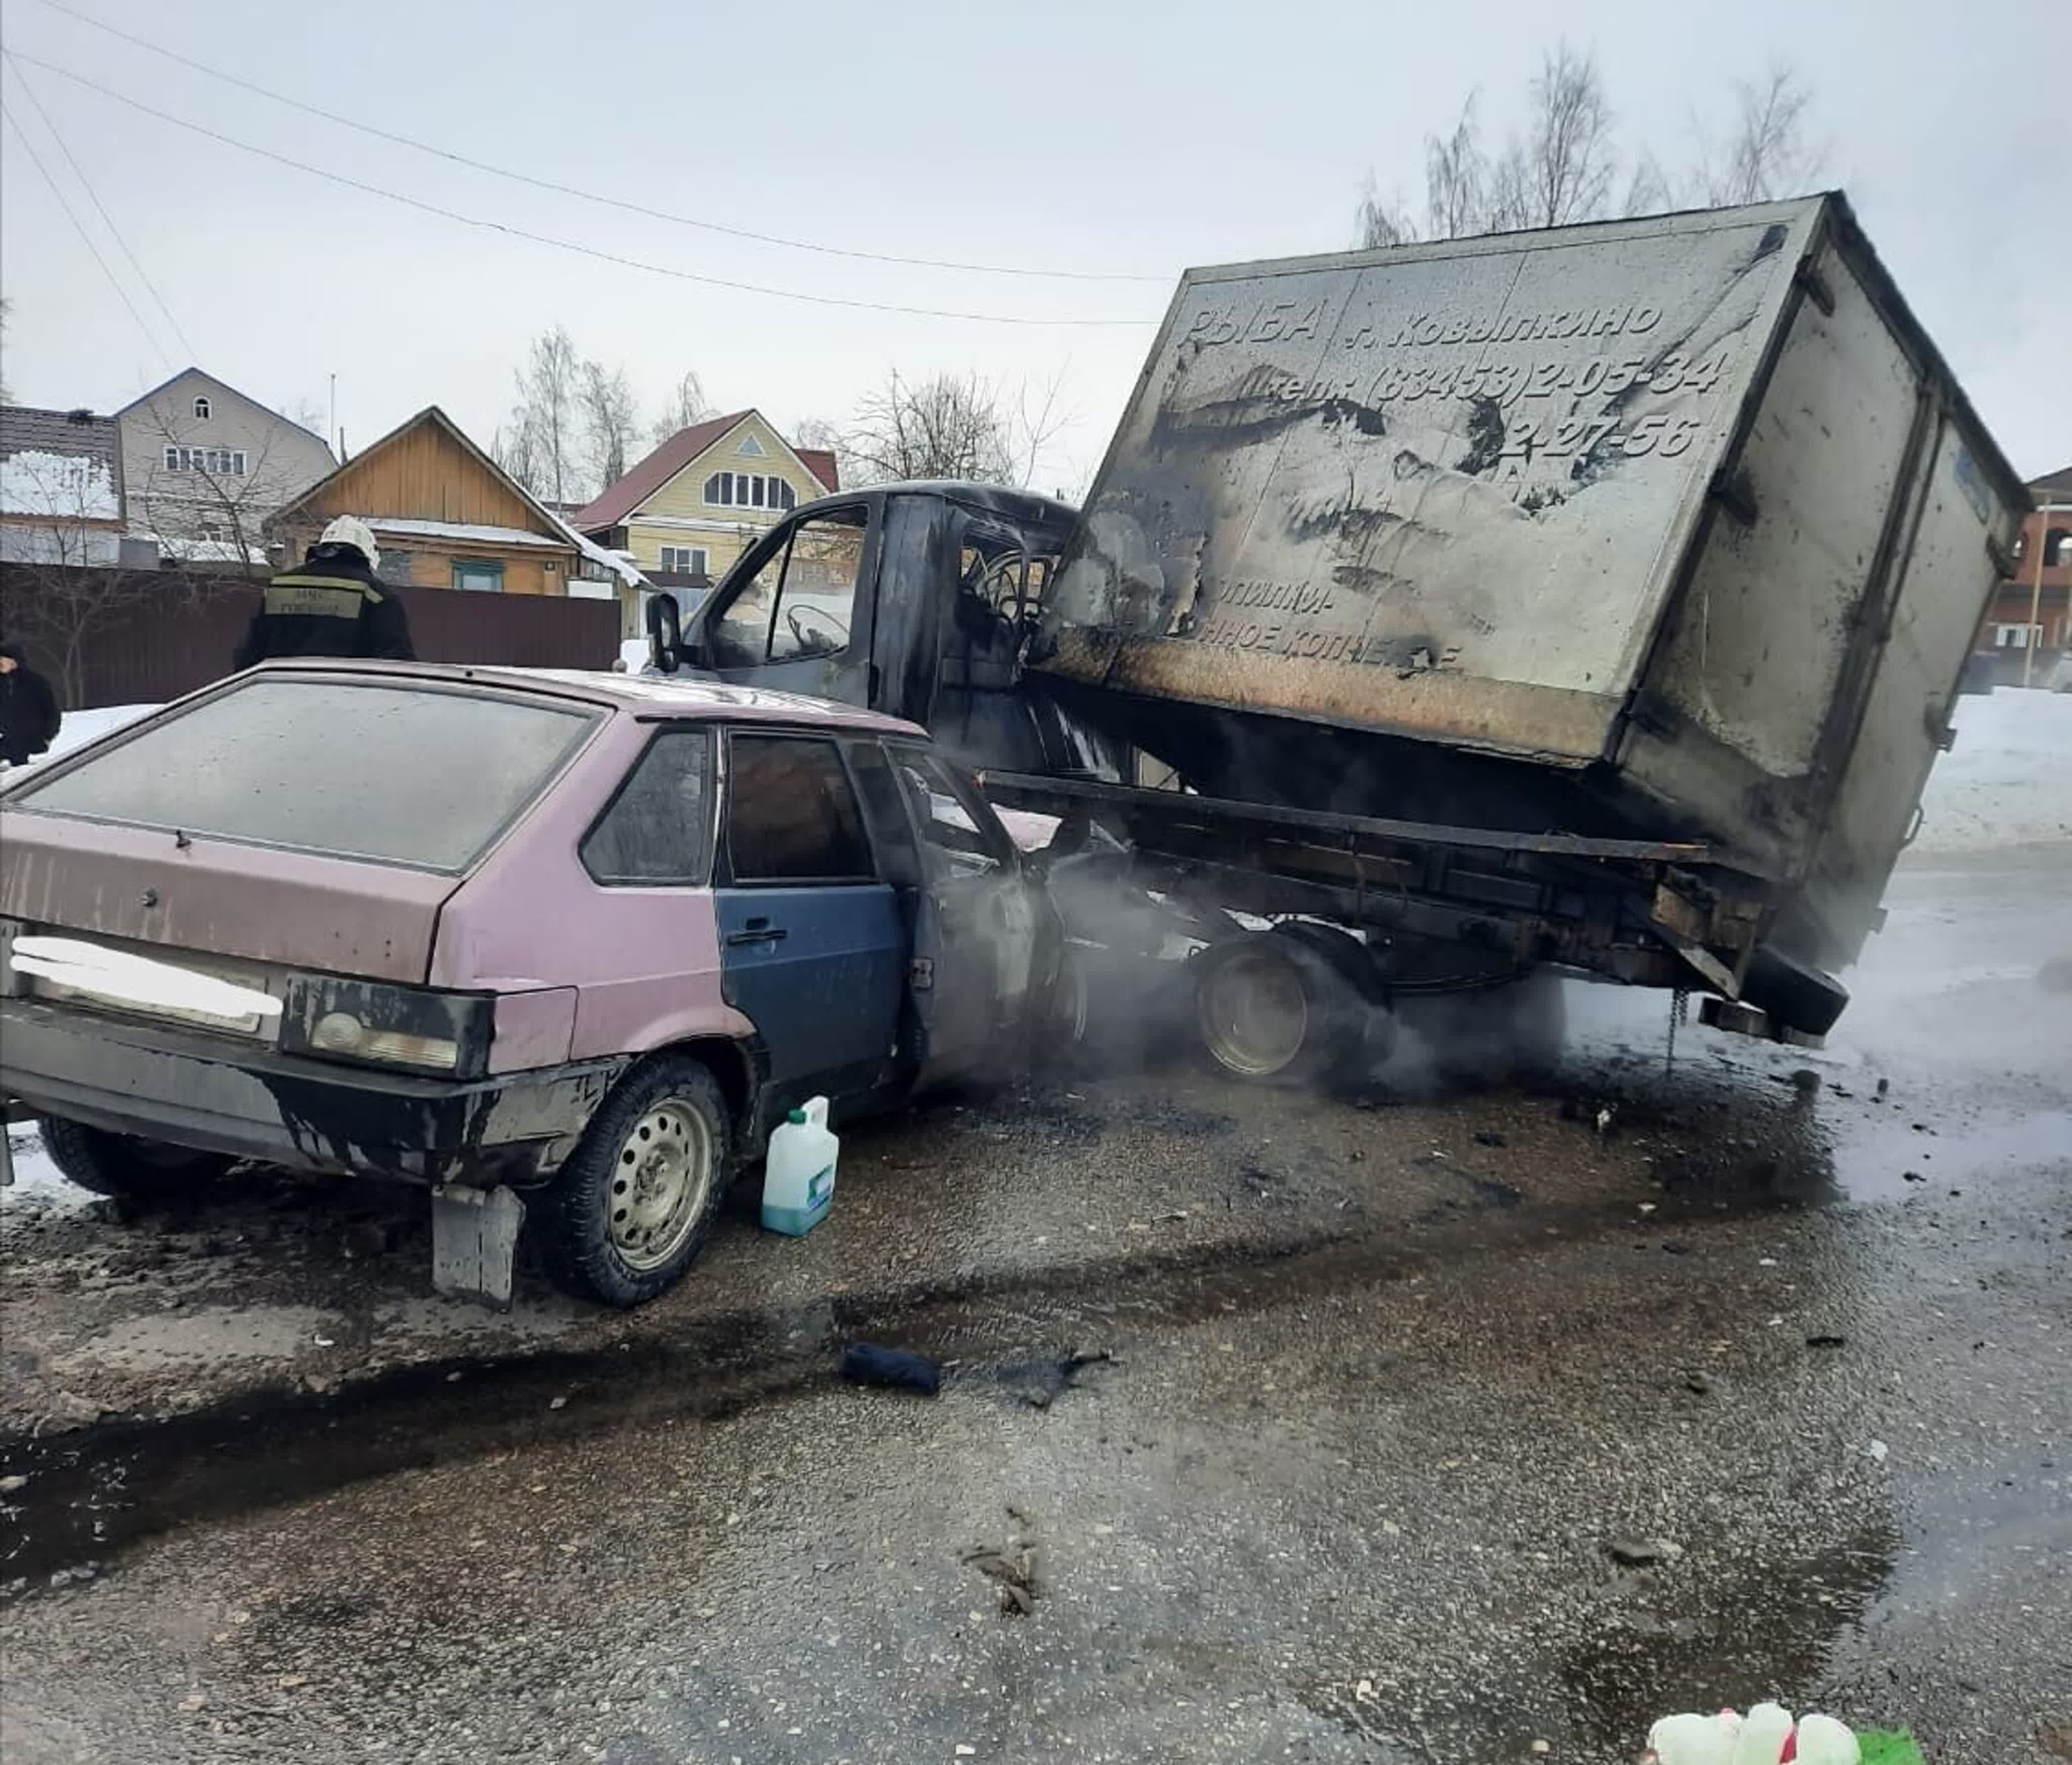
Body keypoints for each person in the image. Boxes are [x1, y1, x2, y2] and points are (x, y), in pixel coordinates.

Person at [234, 515, 414, 669]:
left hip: (275, 699)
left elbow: (250, 654)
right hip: (345, 702)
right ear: (369, 554)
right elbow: (397, 664)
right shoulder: (376, 595)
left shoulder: (279, 586)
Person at [0, 641, 62, 768]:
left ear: (13, 661)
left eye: (2, 659)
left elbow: (52, 711)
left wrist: (48, 736)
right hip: (8, 739)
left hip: (33, 741)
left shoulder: (36, 683)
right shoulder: (2, 685)